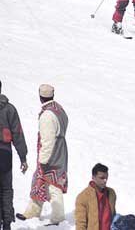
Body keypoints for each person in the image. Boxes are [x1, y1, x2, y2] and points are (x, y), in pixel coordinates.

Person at [16, 84, 68, 226]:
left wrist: (43, 160)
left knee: (53, 184)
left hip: (51, 154)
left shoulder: (47, 115)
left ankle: (57, 217)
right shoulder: (59, 109)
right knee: (40, 181)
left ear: (40, 97)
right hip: (60, 150)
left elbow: (48, 139)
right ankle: (33, 210)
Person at [0, 80, 29, 230]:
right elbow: (18, 134)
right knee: (6, 189)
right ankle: (6, 223)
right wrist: (23, 157)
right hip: (5, 153)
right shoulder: (9, 109)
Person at [75, 163, 116, 230]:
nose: (105, 181)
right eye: (101, 178)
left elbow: (113, 216)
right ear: (93, 177)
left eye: (106, 178)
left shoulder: (111, 193)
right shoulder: (83, 197)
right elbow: (80, 223)